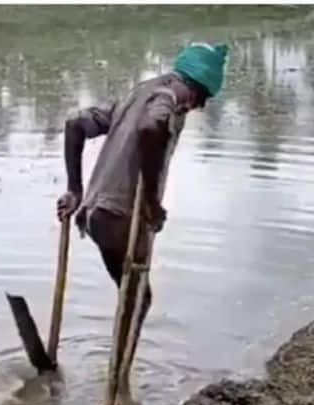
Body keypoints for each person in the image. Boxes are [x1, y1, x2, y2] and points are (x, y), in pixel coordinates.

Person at [55, 42, 229, 376]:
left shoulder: (139, 93)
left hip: (94, 216)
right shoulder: (171, 97)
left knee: (130, 295)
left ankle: (117, 375)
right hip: (121, 216)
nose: (199, 108)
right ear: (197, 90)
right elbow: (151, 127)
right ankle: (119, 382)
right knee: (137, 301)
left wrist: (75, 190)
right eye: (202, 100)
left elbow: (76, 124)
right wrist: (151, 201)